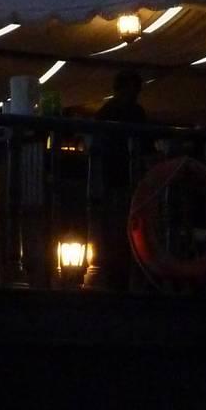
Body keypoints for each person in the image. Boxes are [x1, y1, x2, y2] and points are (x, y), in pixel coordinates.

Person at [88, 68, 148, 289]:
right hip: (119, 179)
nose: (134, 95)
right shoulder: (126, 113)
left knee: (116, 229)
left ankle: (117, 276)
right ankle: (123, 275)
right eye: (133, 90)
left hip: (115, 179)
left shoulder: (107, 113)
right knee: (122, 229)